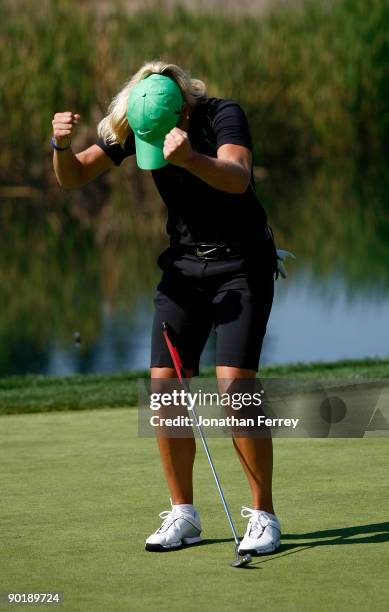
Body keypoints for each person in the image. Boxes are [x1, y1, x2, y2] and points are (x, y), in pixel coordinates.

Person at [52, 60, 281, 556]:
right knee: (164, 390)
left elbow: (238, 177)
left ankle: (263, 516)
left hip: (243, 264)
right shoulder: (141, 121)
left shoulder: (223, 115)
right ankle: (184, 514)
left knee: (234, 384)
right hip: (182, 269)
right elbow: (74, 177)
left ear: (181, 111)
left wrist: (191, 159)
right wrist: (60, 147)